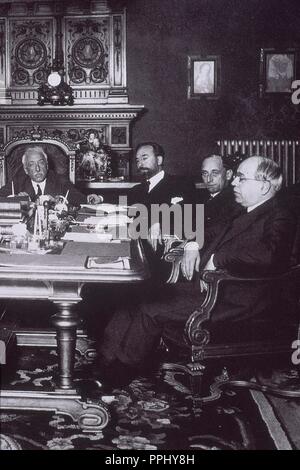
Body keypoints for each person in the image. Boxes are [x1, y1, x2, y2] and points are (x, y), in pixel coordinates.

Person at [96, 156, 296, 385]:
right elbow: (208, 230)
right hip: (214, 288)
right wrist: (192, 244)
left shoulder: (280, 213)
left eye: (241, 178)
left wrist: (218, 258)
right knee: (137, 295)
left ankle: (118, 375)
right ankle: (104, 362)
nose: (234, 183)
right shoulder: (244, 209)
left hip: (237, 296)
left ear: (263, 185)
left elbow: (271, 255)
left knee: (150, 308)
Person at [128, 142, 196, 252]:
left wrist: (159, 221)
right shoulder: (137, 189)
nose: (140, 163)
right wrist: (99, 198)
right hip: (136, 248)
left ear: (159, 160)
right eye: (137, 160)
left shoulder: (181, 183)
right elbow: (121, 204)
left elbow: (186, 210)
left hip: (166, 251)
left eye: (144, 158)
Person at [0, 146, 101, 206]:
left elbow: (77, 198)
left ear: (47, 165)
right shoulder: (18, 181)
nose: (37, 169)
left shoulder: (60, 180)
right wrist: (15, 199)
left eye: (41, 163)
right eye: (32, 165)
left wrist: (58, 202)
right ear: (26, 170)